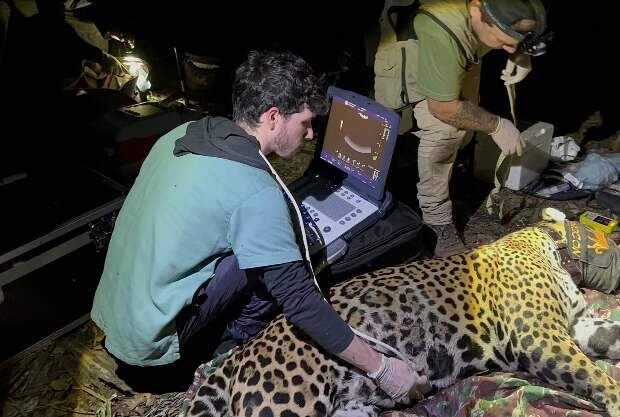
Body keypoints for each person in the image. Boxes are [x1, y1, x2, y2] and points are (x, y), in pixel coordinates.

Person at [91, 50, 428, 400]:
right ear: (272, 116)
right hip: (155, 357)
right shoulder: (255, 192)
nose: (311, 135)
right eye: (306, 122)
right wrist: (383, 370)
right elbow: (300, 301)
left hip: (118, 320)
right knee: (279, 257)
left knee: (262, 240)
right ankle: (230, 347)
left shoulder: (184, 133)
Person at [374, 0, 547, 256]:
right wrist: (496, 126)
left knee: (466, 117)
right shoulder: (441, 27)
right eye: (505, 40)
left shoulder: (513, 7)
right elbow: (443, 107)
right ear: (478, 9)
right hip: (415, 52)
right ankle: (436, 221)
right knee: (446, 128)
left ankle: (447, 174)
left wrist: (521, 53)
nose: (508, 47)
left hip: (462, 52)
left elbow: (524, 27)